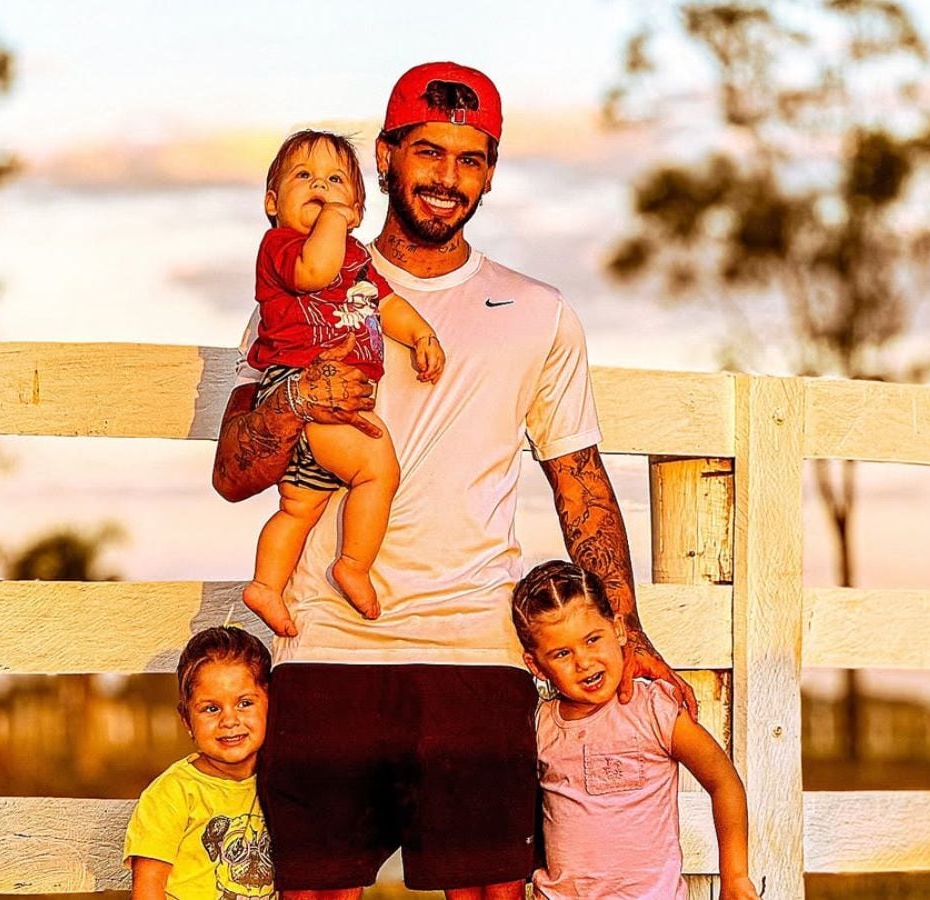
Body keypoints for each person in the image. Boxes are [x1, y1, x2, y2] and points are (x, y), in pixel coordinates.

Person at [212, 61, 697, 899]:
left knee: (492, 892)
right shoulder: (300, 294)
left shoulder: (539, 311)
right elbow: (232, 472)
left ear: (491, 173)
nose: (447, 177)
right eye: (428, 152)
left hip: (477, 651)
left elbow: (577, 478)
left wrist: (626, 629)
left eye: (470, 159)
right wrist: (295, 398)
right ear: (387, 158)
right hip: (325, 646)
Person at [244, 130, 445, 638]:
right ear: (273, 203)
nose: (321, 186)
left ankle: (266, 585)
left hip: (318, 409)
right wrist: (334, 220)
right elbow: (314, 272)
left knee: (299, 507)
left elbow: (386, 304)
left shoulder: (357, 262)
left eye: (336, 181)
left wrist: (421, 334)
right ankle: (353, 564)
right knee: (378, 470)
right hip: (302, 391)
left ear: (358, 209)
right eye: (304, 176)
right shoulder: (280, 246)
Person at [512, 560, 758, 900]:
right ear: (536, 666)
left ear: (618, 629)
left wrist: (735, 877)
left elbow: (723, 780)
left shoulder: (653, 710)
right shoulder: (541, 725)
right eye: (562, 653)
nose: (584, 662)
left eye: (592, 639)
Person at [123, 627, 276, 900]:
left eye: (244, 703)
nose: (229, 721)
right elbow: (148, 886)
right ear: (186, 719)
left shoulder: (281, 782)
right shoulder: (172, 794)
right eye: (211, 708)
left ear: (271, 703)